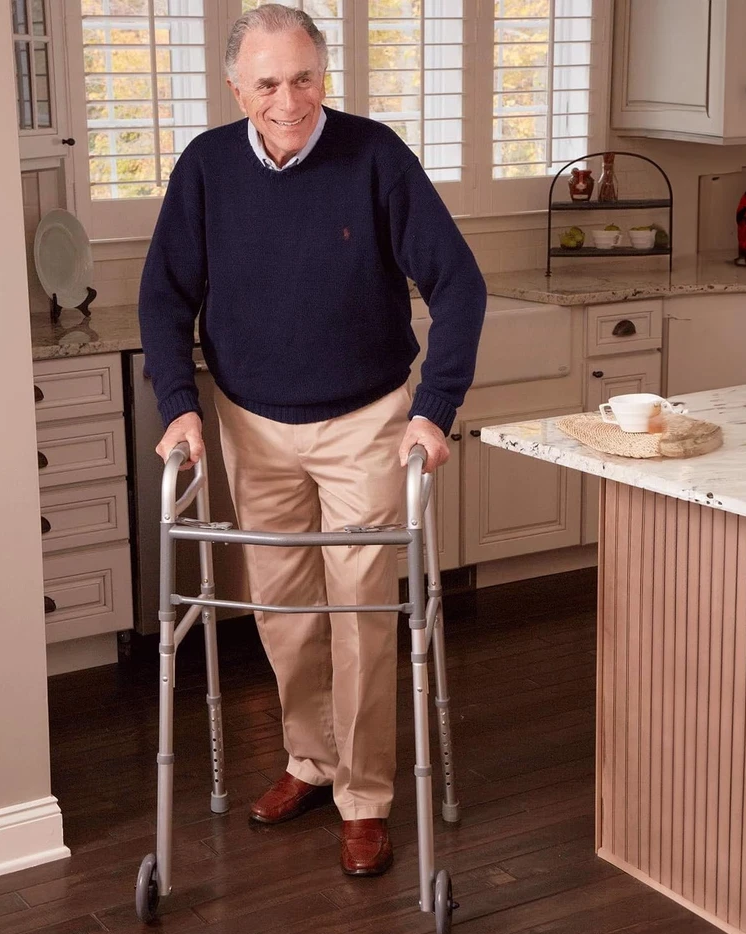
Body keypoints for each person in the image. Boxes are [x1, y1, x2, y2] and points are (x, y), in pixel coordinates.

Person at [139, 3, 486, 877]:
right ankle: (312, 760)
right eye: (267, 82)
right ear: (235, 87)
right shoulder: (208, 168)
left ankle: (365, 798)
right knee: (285, 617)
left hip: (368, 419)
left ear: (323, 76)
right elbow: (162, 297)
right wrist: (179, 403)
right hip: (251, 424)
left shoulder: (376, 156)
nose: (287, 99)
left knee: (363, 614)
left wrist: (431, 409)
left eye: (303, 77)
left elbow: (460, 285)